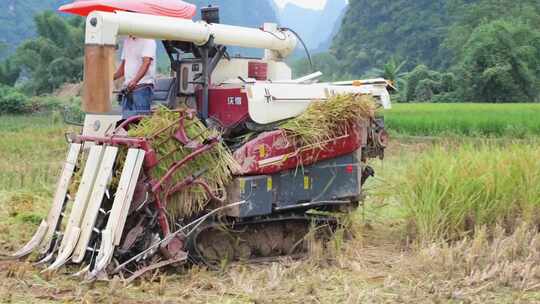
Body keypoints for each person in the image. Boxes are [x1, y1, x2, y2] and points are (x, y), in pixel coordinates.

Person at [114, 36, 157, 118]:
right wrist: (111, 77)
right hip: (128, 88)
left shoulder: (148, 40)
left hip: (142, 87)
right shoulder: (127, 41)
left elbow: (146, 63)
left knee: (140, 119)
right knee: (126, 120)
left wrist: (135, 81)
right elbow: (123, 66)